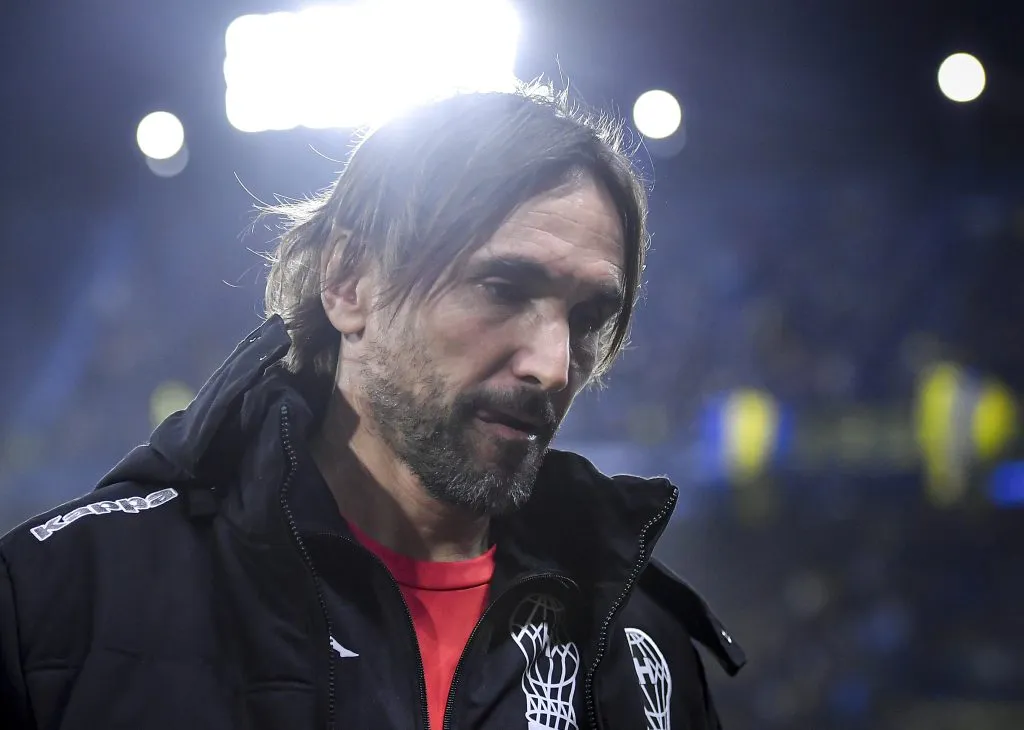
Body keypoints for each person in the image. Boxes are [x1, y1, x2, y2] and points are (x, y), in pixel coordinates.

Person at [0, 87, 744, 729]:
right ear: (349, 282)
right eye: (503, 289)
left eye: (586, 320)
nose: (553, 366)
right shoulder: (64, 598)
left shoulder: (642, 646)